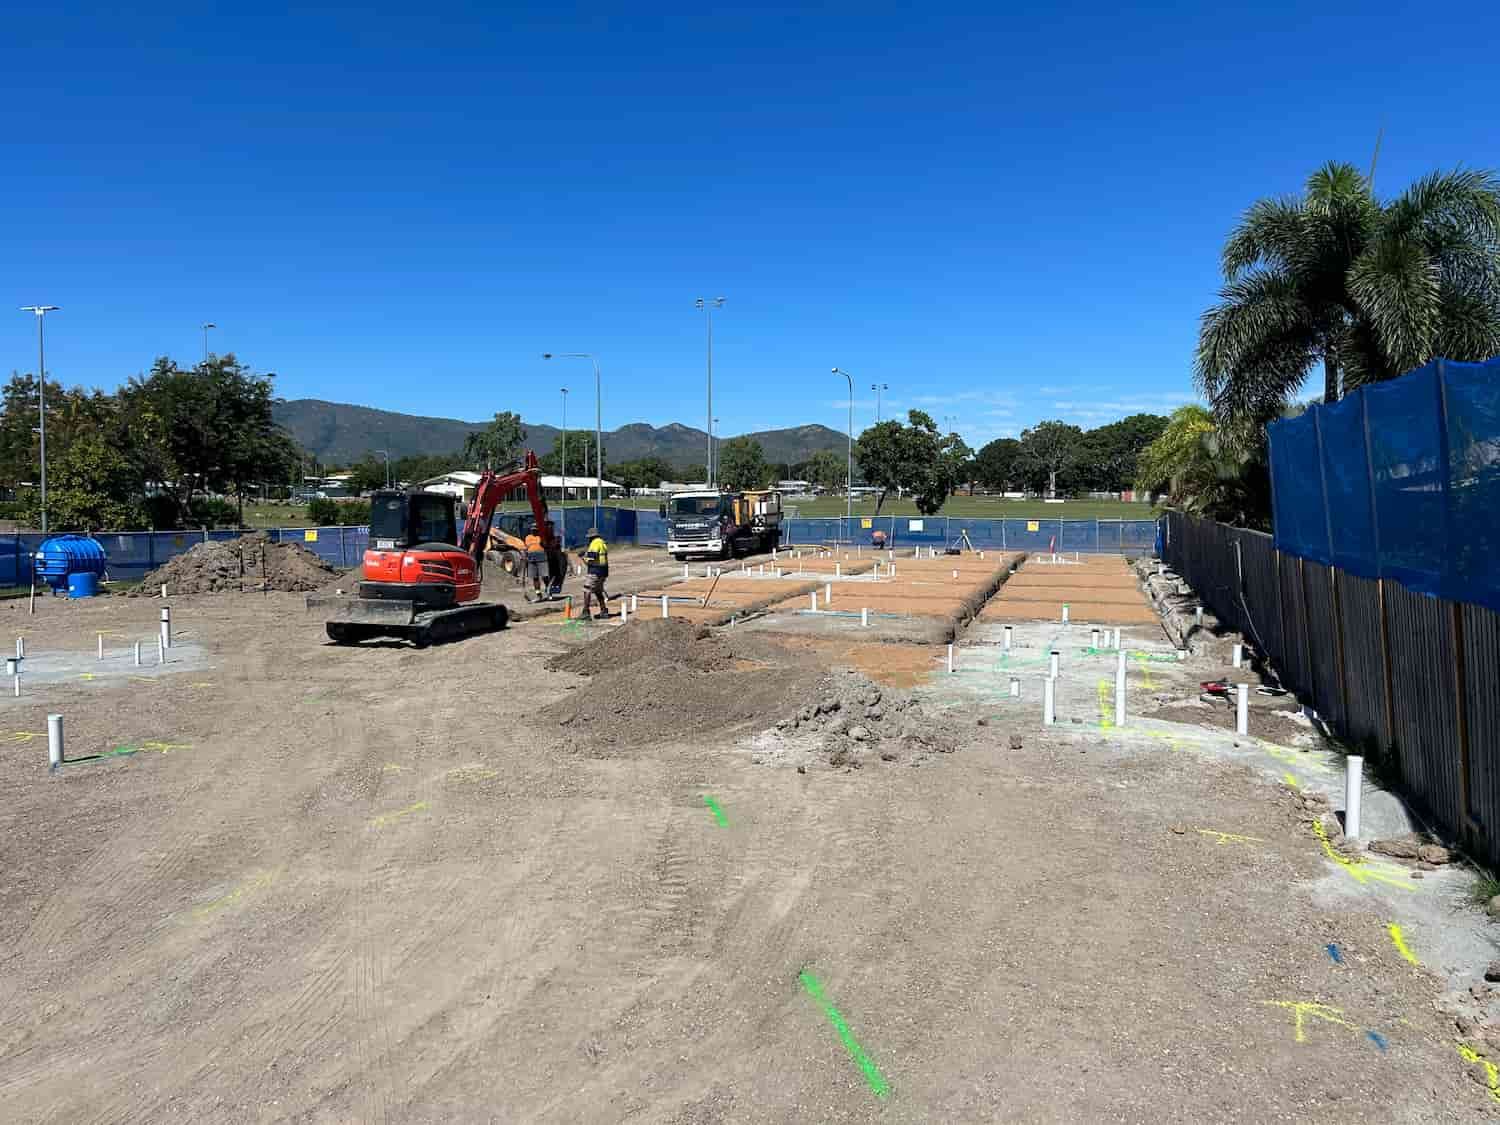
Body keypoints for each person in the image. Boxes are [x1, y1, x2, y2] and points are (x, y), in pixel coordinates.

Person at [578, 526, 610, 619]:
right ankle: (604, 611)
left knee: (587, 589)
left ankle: (586, 612)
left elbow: (592, 560)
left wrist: (583, 557)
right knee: (598, 591)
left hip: (595, 571)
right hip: (603, 571)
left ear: (591, 537)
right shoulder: (602, 543)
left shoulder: (595, 544)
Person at [522, 523, 546, 601]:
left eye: (535, 530)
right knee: (535, 577)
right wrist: (525, 557)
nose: (534, 531)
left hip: (541, 557)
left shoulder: (541, 537)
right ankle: (538, 594)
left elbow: (545, 545)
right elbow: (526, 548)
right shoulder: (528, 537)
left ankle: (548, 591)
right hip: (531, 558)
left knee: (544, 575)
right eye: (532, 530)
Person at [543, 519, 564, 599]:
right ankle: (548, 590)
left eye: (551, 525)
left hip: (554, 560)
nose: (550, 527)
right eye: (548, 525)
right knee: (546, 576)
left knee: (554, 575)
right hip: (546, 559)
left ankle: (550, 592)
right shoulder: (544, 538)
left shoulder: (555, 538)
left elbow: (558, 548)